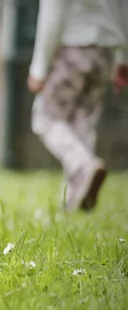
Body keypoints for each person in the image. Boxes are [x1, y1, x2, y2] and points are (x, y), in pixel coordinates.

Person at [28, 0, 128, 212]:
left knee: (45, 117)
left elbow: (53, 11)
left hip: (75, 45)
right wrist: (123, 58)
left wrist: (39, 67)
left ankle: (83, 167)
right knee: (82, 122)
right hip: (106, 51)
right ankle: (75, 201)